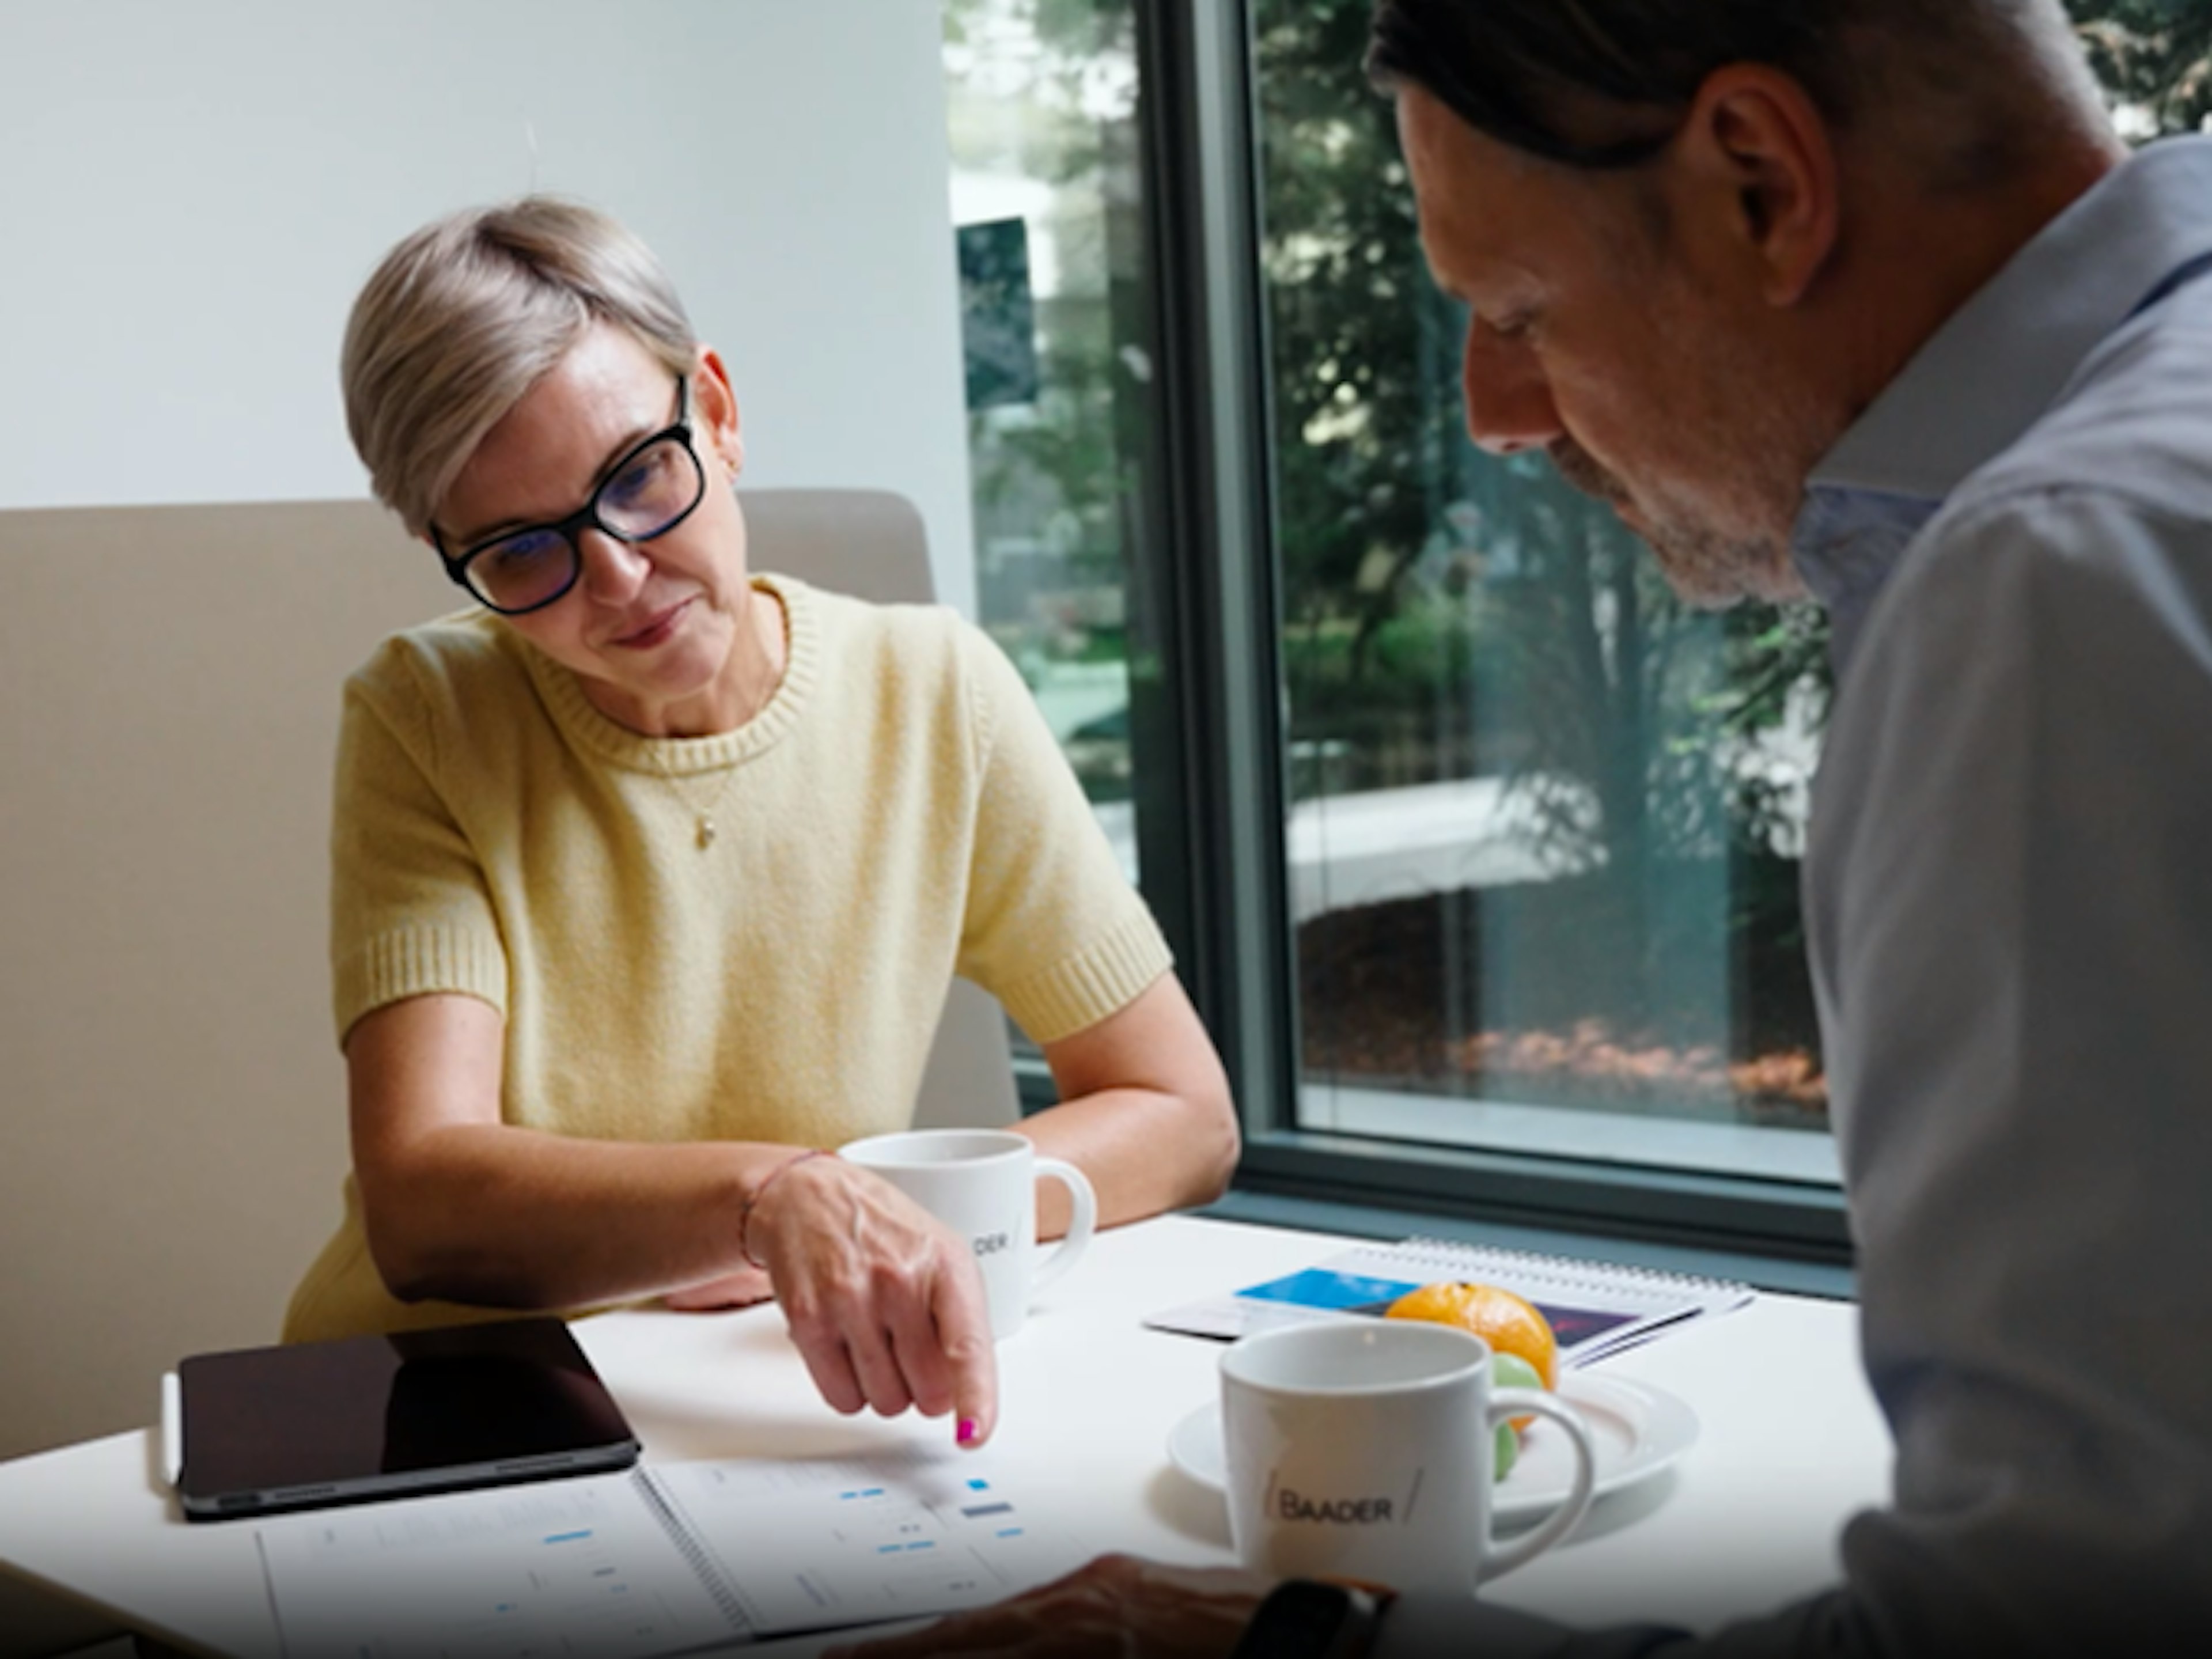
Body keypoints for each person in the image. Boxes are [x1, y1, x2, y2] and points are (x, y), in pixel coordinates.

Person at [836, 0, 2212, 1649]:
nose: (1494, 411)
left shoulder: (2058, 590)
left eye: (1518, 307)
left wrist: (1296, 1643)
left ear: (1763, 184)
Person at [283, 197, 1240, 1449]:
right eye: (522, 553)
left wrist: (873, 1213)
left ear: (717, 413)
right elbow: (422, 1204)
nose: (620, 578)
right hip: (450, 1407)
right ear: (444, 550)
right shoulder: (428, 715)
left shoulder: (933, 691)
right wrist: (766, 1196)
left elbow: (1185, 1115)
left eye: (637, 477)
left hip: (760, 1391)